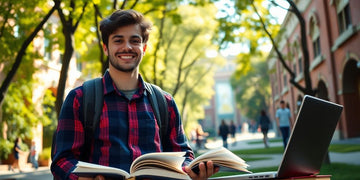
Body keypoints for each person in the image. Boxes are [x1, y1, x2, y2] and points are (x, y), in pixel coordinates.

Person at [50, 9, 219, 180]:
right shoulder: (80, 99)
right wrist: (80, 179)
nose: (127, 47)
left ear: (143, 48)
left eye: (134, 40)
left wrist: (192, 172)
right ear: (106, 48)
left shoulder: (165, 102)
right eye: (118, 40)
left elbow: (183, 155)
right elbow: (62, 161)